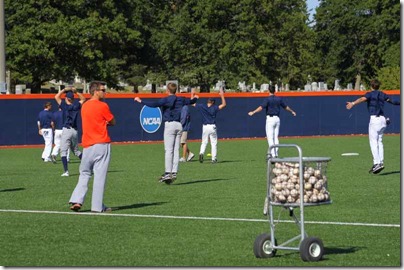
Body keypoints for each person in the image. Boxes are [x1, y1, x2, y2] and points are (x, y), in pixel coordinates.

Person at [134, 83, 198, 183]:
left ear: (167, 90)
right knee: (176, 150)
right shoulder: (180, 99)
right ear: (175, 90)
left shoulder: (166, 99)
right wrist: (196, 98)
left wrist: (140, 101)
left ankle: (168, 173)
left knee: (169, 150)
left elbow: (154, 105)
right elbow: (191, 101)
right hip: (179, 125)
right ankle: (174, 172)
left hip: (170, 125)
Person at [69, 81, 115, 212]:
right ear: (96, 91)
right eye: (102, 90)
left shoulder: (85, 106)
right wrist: (106, 123)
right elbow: (113, 121)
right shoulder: (102, 105)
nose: (105, 92)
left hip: (87, 145)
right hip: (101, 143)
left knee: (84, 173)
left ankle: (77, 200)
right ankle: (97, 207)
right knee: (100, 176)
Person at [346, 79, 400, 174]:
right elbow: (392, 102)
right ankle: (381, 162)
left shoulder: (370, 94)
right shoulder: (383, 94)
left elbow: (362, 99)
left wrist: (353, 103)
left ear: (371, 86)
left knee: (373, 142)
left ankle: (377, 163)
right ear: (378, 86)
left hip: (375, 119)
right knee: (379, 141)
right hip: (383, 119)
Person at [248, 85, 296, 158]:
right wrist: (292, 111)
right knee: (276, 137)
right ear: (275, 91)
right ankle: (276, 154)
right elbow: (286, 107)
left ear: (268, 90)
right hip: (277, 119)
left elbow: (261, 107)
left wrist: (253, 112)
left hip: (270, 119)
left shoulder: (267, 99)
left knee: (270, 138)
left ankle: (273, 155)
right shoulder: (279, 99)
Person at [54, 86, 86, 176]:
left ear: (66, 98)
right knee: (76, 151)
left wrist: (64, 90)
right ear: (72, 98)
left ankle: (66, 171)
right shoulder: (76, 106)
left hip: (67, 129)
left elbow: (56, 97)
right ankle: (88, 167)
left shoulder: (64, 105)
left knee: (63, 151)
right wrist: (76, 92)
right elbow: (83, 98)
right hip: (75, 131)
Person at [193, 87, 226, 164]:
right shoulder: (214, 107)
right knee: (213, 143)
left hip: (205, 126)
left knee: (204, 142)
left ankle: (201, 153)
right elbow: (224, 104)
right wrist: (222, 95)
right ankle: (213, 159)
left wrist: (193, 94)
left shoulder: (202, 106)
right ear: (213, 102)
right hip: (212, 126)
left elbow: (192, 103)